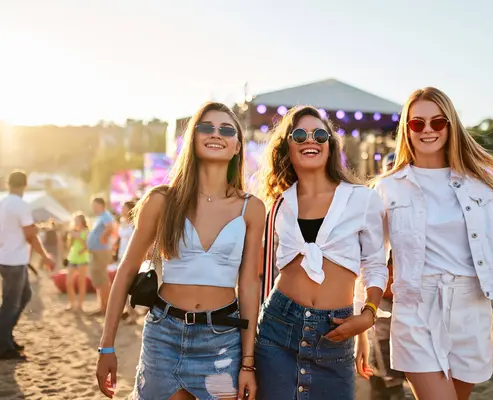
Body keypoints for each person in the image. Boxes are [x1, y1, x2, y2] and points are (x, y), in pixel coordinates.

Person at [373, 87, 493, 400]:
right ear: (406, 130)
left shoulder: (479, 184)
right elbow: (370, 260)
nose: (428, 130)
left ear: (450, 126)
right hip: (416, 309)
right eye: (418, 123)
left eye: (437, 122)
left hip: (472, 307)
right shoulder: (388, 188)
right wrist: (364, 316)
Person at [96, 102, 264, 400]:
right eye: (206, 127)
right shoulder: (161, 200)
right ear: (193, 138)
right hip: (164, 336)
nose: (216, 134)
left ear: (238, 145)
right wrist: (106, 345)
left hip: (222, 342)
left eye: (226, 129)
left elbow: (250, 284)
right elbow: (126, 270)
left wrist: (248, 363)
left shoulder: (251, 208)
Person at [255, 105, 388, 400]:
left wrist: (368, 316)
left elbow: (375, 266)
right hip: (277, 328)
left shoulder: (362, 199)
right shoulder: (276, 205)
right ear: (286, 146)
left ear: (330, 144)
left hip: (335, 333)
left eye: (319, 134)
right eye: (299, 134)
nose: (310, 140)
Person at [0, 171, 55, 360]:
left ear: (9, 184)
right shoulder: (21, 205)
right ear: (24, 186)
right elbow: (30, 236)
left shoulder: (3, 203)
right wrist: (46, 257)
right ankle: (3, 345)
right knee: (11, 303)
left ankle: (5, 336)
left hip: (6, 258)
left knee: (24, 296)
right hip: (15, 261)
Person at [367, 153, 406, 400]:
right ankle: (387, 386)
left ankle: (391, 386)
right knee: (379, 342)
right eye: (389, 168)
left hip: (405, 291)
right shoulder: (376, 199)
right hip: (382, 290)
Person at [87, 197, 115, 316]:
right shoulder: (100, 217)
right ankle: (102, 306)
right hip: (97, 251)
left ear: (100, 205)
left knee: (102, 279)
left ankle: (106, 307)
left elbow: (110, 227)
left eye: (94, 205)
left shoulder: (105, 215)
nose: (93, 208)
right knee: (98, 279)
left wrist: (104, 238)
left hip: (102, 251)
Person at [117, 200, 137, 323]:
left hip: (131, 258)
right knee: (122, 286)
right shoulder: (121, 222)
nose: (122, 210)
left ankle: (133, 314)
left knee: (129, 287)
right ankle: (128, 310)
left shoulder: (135, 223)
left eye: (125, 208)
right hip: (121, 256)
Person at [65, 213, 90, 311]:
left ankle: (80, 305)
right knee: (68, 282)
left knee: (81, 282)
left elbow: (87, 246)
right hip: (72, 258)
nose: (75, 222)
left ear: (82, 221)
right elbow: (69, 245)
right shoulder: (73, 231)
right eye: (74, 220)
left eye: (77, 220)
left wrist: (78, 236)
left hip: (82, 259)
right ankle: (72, 304)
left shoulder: (87, 231)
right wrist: (71, 237)